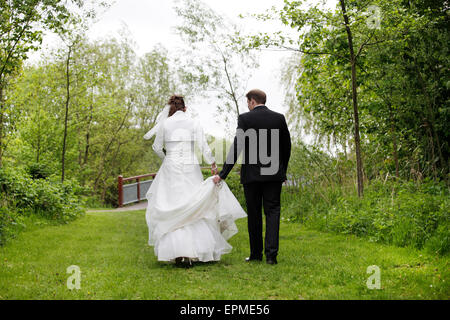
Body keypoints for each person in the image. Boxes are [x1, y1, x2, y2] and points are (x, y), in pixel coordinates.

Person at [144, 95, 246, 267]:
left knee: (172, 204)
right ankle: (197, 251)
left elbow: (156, 147)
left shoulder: (165, 123)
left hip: (171, 167)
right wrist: (212, 163)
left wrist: (167, 159)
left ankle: (176, 251)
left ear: (171, 109)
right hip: (191, 167)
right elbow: (203, 145)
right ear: (185, 108)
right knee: (193, 203)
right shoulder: (194, 122)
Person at [213, 89, 291, 265]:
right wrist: (282, 171)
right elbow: (287, 147)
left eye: (247, 102)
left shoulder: (245, 119)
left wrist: (223, 174)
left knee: (254, 214)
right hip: (273, 174)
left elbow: (237, 147)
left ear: (252, 101)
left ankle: (256, 254)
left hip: (252, 176)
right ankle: (271, 256)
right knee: (272, 213)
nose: (247, 106)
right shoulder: (279, 118)